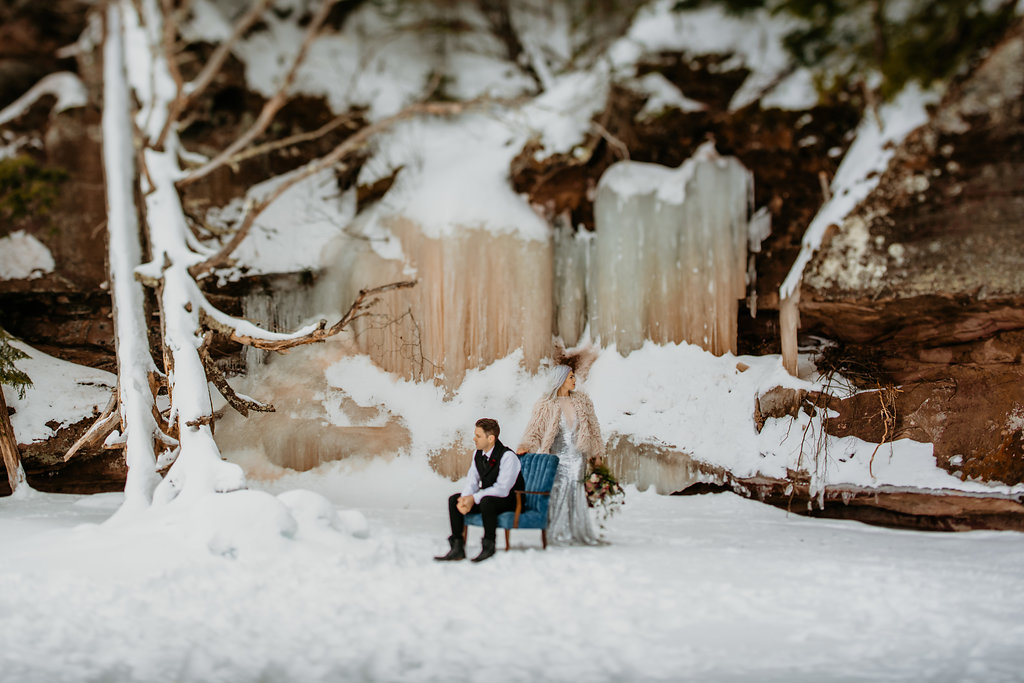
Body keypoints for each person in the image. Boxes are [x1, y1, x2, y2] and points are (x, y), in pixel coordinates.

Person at [517, 365, 602, 545]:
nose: (574, 380)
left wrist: (597, 452)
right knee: (558, 490)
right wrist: (526, 445)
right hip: (556, 457)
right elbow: (535, 429)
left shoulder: (582, 400)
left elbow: (593, 428)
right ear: (561, 379)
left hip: (578, 456)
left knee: (575, 490)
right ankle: (556, 532)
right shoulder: (546, 403)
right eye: (571, 377)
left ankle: (577, 531)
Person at [434, 418, 524, 563]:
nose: (474, 439)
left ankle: (489, 546)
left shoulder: (508, 457)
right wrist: (465, 499)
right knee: (454, 500)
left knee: (486, 502)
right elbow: (472, 481)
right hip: (488, 496)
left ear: (491, 438)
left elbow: (503, 489)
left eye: (478, 436)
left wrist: (474, 499)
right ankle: (457, 547)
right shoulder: (478, 454)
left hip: (511, 500)